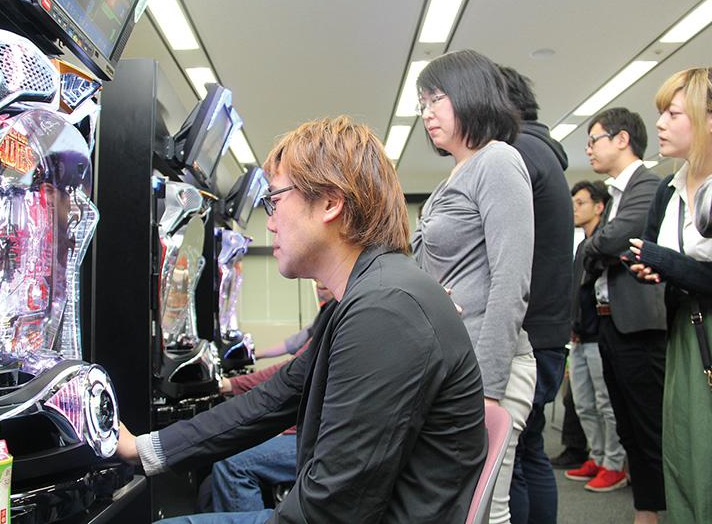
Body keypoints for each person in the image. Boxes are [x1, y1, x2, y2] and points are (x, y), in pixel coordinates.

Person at [117, 116, 487, 523]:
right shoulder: (367, 296)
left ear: (330, 203)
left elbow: (332, 508)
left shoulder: (386, 310)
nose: (270, 222)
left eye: (275, 200)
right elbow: (270, 401)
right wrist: (143, 449)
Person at [412, 49, 536, 524]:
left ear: (469, 94)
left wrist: (488, 387)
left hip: (487, 369)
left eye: (435, 99)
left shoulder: (498, 161)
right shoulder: (455, 174)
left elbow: (511, 280)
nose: (427, 114)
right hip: (453, 367)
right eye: (422, 104)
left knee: (487, 511)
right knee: (460, 509)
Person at [624, 67, 712, 522]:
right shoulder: (668, 189)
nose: (659, 124)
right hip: (684, 331)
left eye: (673, 114)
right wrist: (649, 268)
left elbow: (674, 260)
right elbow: (654, 253)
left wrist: (666, 262)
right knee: (685, 450)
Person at [581, 107, 667, 524]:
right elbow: (597, 248)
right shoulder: (614, 194)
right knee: (627, 426)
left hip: (640, 325)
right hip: (609, 323)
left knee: (651, 426)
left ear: (621, 140)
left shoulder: (649, 185)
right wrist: (603, 248)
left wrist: (602, 247)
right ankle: (645, 511)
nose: (589, 149)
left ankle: (667, 509)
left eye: (594, 139)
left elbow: (614, 239)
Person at [498, 66, 573, 524]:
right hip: (547, 329)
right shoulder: (541, 150)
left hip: (529, 332)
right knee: (529, 450)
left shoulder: (519, 152)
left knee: (516, 460)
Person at [205, 286, 335, 513]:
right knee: (209, 488)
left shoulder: (339, 314)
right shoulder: (329, 313)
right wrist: (253, 355)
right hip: (311, 432)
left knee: (232, 464)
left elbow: (289, 372)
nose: (318, 284)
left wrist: (232, 384)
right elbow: (293, 347)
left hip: (320, 441)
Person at [566, 181, 627, 492]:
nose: (575, 209)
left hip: (600, 334)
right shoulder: (582, 247)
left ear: (599, 207)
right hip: (578, 336)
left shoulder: (607, 246)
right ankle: (597, 456)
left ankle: (614, 465)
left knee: (606, 404)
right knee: (583, 404)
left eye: (581, 203)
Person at [251, 281, 332, 359]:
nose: (318, 287)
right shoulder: (325, 311)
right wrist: (257, 354)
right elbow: (295, 342)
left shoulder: (333, 313)